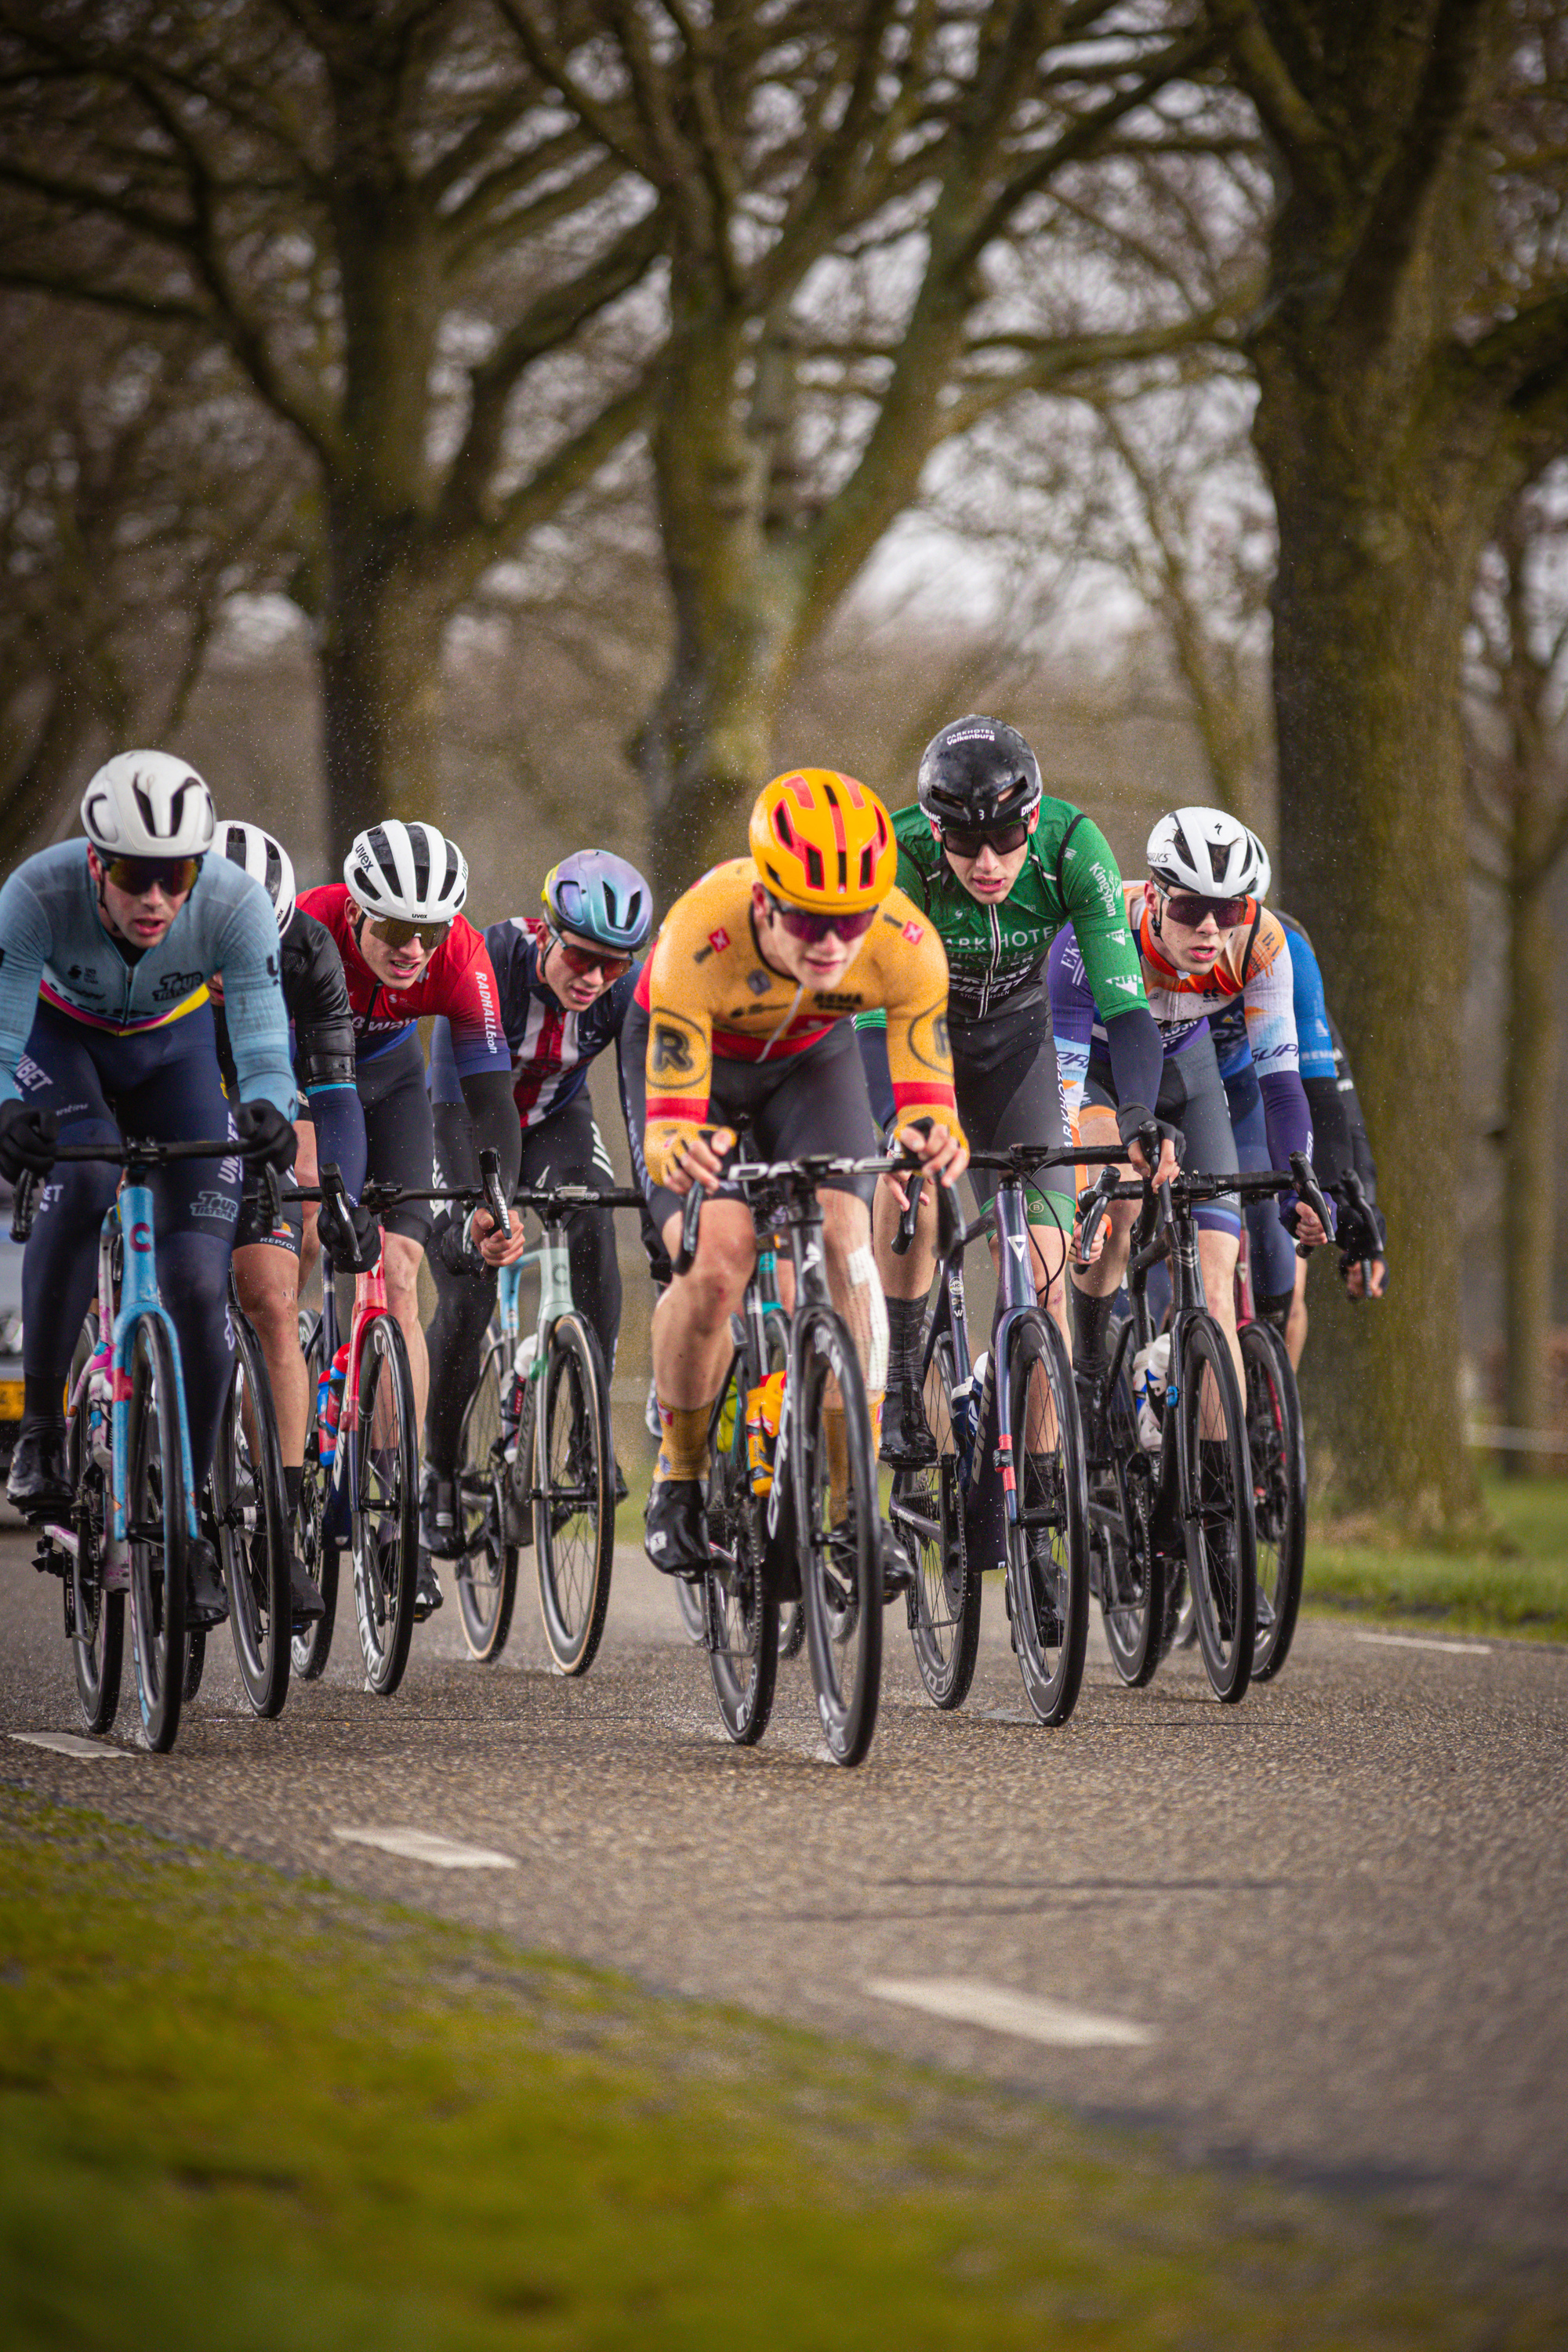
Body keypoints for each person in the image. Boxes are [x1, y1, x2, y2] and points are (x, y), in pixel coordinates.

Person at [622, 768, 967, 1578]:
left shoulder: (906, 944)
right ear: (764, 902)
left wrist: (927, 1133)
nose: (832, 943)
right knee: (716, 1263)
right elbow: (672, 1118)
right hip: (699, 1071)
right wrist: (676, 1151)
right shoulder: (696, 934)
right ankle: (677, 1478)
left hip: (811, 1063)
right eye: (811, 920)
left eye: (850, 920)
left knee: (851, 1238)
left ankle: (855, 1513)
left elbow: (926, 1097)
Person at [0, 753, 296, 1628]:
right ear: (97, 863)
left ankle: (197, 1512)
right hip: (64, 1046)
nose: (156, 900)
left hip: (173, 1056)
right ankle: (44, 1438)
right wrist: (7, 1110)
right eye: (135, 876)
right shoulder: (34, 896)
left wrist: (273, 1110)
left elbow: (263, 1038)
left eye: (177, 877)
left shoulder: (237, 906)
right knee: (86, 1168)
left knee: (203, 1284)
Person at [854, 716, 1169, 1464]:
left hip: (1018, 1046)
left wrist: (1138, 1116)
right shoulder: (897, 858)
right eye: (963, 843)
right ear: (937, 831)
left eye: (1004, 840)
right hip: (919, 1037)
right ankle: (901, 1379)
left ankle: (1043, 1491)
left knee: (1049, 1278)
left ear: (1032, 818)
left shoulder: (1071, 849)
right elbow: (871, 1020)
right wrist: (900, 1128)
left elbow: (1126, 1007)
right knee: (915, 1191)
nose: (988, 863)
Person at [297, 818, 521, 1616]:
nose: (412, 948)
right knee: (292, 1240)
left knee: (398, 1272)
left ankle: (399, 1497)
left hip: (389, 1084)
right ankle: (273, 1388)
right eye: (394, 927)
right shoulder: (306, 927)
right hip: (298, 1081)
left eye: (427, 929)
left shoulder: (459, 953)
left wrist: (498, 1203)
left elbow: (490, 1095)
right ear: (356, 912)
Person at [1051, 806, 1330, 1401]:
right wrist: (1082, 1190)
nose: (1209, 928)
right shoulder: (1099, 929)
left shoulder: (1261, 944)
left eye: (1227, 910)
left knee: (1218, 1280)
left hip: (1188, 1073)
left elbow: (1280, 1084)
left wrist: (1299, 1180)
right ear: (1154, 898)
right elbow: (1065, 1085)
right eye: (1188, 908)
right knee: (1115, 1202)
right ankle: (1092, 1372)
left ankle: (1215, 1476)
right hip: (1098, 1072)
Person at [420, 849, 652, 1558]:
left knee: (594, 1224)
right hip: (464, 1112)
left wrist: (658, 1202)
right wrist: (481, 1209)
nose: (595, 979)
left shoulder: (622, 989)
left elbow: (638, 1098)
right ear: (548, 931)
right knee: (470, 1293)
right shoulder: (491, 960)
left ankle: (589, 1433)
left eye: (614, 966)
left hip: (555, 1118)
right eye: (583, 957)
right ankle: (438, 1472)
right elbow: (451, 1088)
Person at [209, 822, 380, 1625]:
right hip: (153, 1098)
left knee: (274, 1302)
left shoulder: (309, 950)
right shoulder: (141, 943)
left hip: (257, 1113)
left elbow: (336, 1091)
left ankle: (277, 1524)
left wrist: (339, 1196)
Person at [1207, 840, 1386, 1365]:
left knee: (1284, 1272)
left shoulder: (1285, 960)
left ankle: (1275, 1424)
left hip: (1253, 1110)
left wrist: (1361, 1211)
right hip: (1185, 1107)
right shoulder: (1175, 956)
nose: (1216, 936)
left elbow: (1337, 1110)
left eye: (1235, 916)